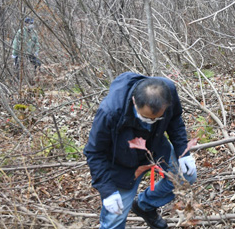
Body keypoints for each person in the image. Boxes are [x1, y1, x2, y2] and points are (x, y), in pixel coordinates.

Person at [84, 73, 197, 229]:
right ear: (134, 101)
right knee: (114, 218)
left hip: (155, 147)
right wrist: (108, 191)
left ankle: (144, 205)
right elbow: (94, 152)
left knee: (186, 176)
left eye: (156, 118)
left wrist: (183, 152)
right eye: (146, 118)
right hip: (122, 162)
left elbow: (175, 120)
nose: (151, 122)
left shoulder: (168, 90)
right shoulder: (110, 112)